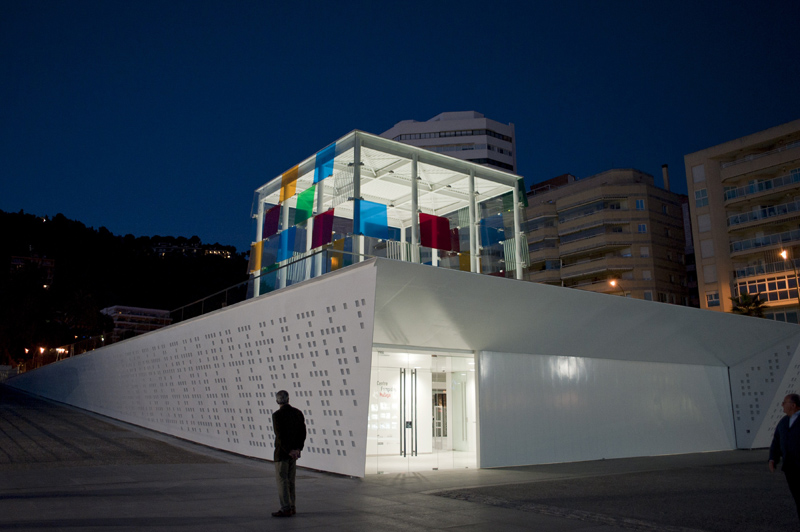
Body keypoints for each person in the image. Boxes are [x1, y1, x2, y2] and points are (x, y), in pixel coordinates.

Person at [271, 390, 306, 518]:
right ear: (288, 399)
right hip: (294, 455)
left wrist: (288, 450)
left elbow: (279, 436)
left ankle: (285, 508)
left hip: (282, 454)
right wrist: (297, 449)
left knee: (282, 481)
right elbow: (302, 433)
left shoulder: (277, 415)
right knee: (291, 481)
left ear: (277, 401)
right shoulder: (298, 413)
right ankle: (292, 506)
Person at [769, 393, 800, 520]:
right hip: (790, 468)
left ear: (793, 405)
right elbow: (776, 441)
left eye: (784, 402)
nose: (782, 405)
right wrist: (772, 459)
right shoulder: (784, 421)